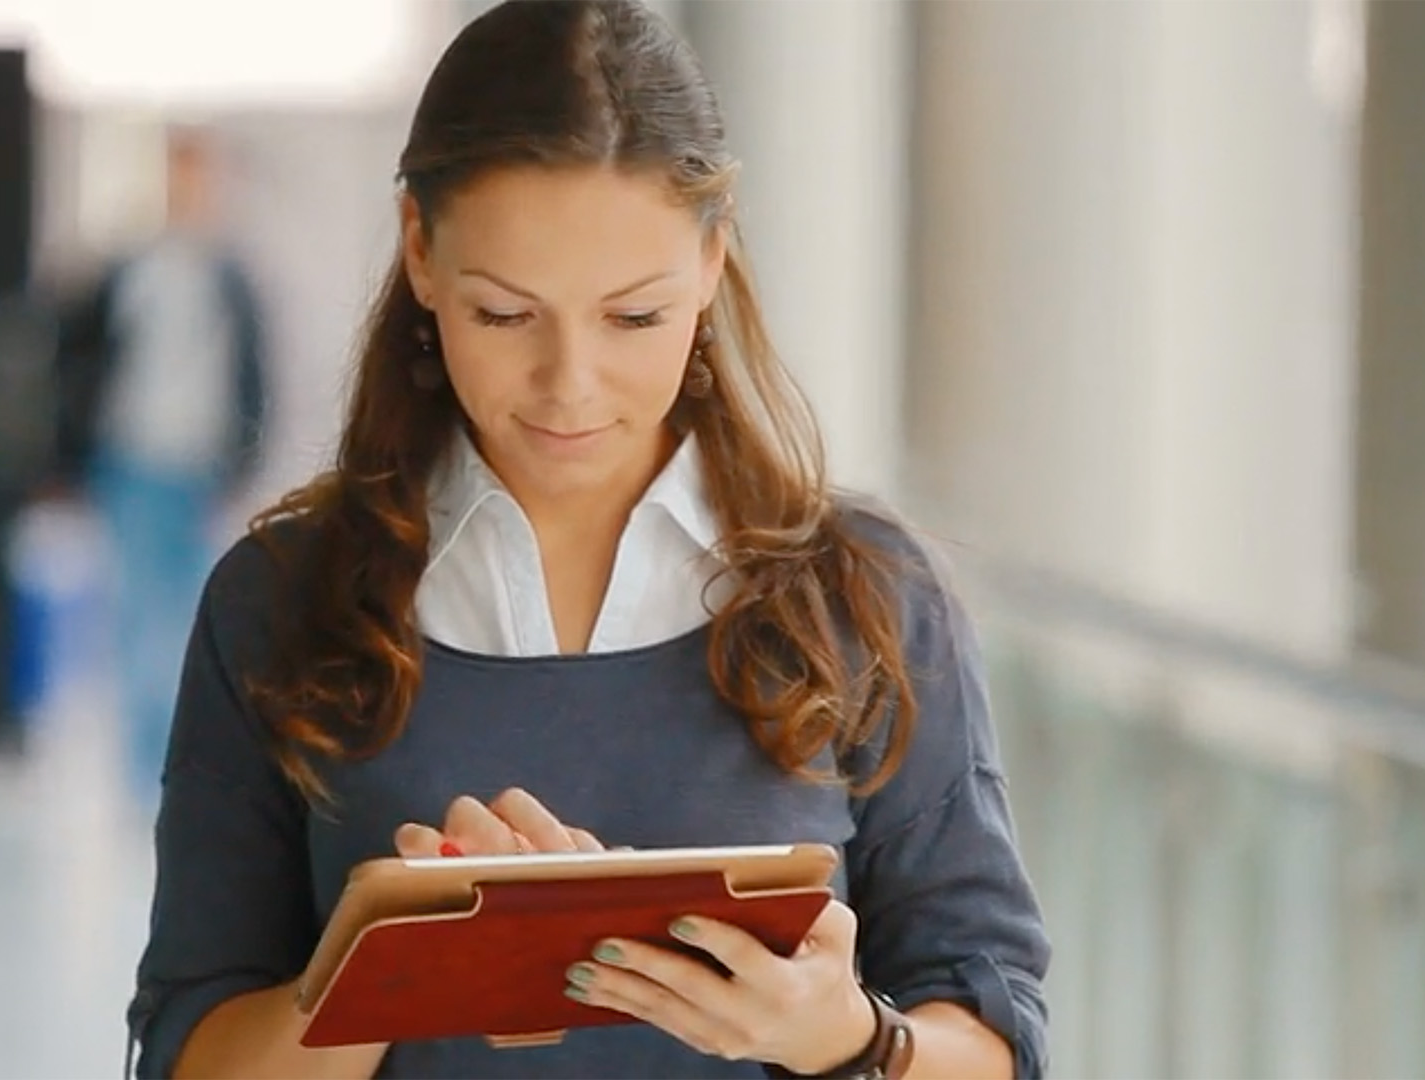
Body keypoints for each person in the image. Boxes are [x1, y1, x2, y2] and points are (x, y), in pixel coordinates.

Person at [126, 3, 1049, 1077]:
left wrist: (847, 1039)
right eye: (506, 316)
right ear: (421, 252)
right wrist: (384, 967)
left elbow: (996, 1042)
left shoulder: (868, 595)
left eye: (634, 318)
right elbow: (188, 1053)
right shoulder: (276, 601)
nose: (570, 386)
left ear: (712, 257)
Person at [52, 125, 270, 808]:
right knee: (137, 616)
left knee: (189, 617)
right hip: (131, 462)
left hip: (198, 469)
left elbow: (253, 379)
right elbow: (79, 364)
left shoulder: (230, 278)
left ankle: (182, 765)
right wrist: (69, 460)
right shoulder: (128, 270)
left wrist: (240, 465)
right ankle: (142, 776)